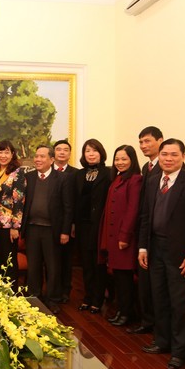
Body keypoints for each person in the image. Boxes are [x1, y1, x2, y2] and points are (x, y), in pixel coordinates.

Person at [138, 138, 185, 369]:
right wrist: (143, 247)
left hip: (181, 254)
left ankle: (179, 352)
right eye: (165, 154)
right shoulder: (151, 180)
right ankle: (162, 341)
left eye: (174, 155)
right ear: (159, 156)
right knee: (159, 298)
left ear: (183, 157)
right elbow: (146, 217)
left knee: (180, 304)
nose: (168, 159)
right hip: (155, 248)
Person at [21, 145, 73, 314]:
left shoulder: (62, 178)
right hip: (32, 229)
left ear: (51, 160)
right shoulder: (28, 177)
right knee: (34, 266)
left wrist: (65, 231)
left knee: (53, 266)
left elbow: (68, 207)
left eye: (42, 157)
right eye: (36, 156)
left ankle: (52, 299)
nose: (38, 159)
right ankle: (34, 297)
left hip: (52, 230)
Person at [98, 145, 142, 327]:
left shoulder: (135, 180)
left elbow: (133, 210)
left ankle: (127, 313)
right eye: (117, 159)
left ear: (132, 160)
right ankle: (122, 311)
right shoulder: (116, 179)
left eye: (124, 159)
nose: (120, 162)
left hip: (124, 238)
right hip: (112, 235)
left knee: (125, 278)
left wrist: (124, 236)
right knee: (118, 276)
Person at [128, 126, 163, 334]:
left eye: (148, 141)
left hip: (159, 233)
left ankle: (157, 326)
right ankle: (147, 320)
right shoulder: (146, 167)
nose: (143, 146)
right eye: (141, 142)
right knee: (145, 281)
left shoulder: (168, 167)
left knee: (156, 285)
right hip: (144, 230)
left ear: (160, 141)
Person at [74, 138, 110, 314]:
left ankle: (98, 299)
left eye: (94, 150)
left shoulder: (109, 173)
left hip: (100, 225)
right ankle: (88, 297)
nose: (91, 154)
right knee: (86, 263)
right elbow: (75, 201)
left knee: (98, 264)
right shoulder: (79, 174)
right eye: (88, 151)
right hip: (82, 225)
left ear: (101, 153)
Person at [0, 140, 26, 285]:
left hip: (9, 226)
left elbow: (19, 201)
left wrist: (15, 227)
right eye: (0, 152)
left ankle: (12, 294)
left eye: (6, 152)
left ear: (12, 154)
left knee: (9, 261)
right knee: (0, 260)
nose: (3, 155)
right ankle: (1, 295)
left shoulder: (18, 173)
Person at [53, 139, 78, 303]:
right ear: (53, 153)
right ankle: (51, 289)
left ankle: (64, 291)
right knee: (51, 259)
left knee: (66, 259)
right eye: (58, 149)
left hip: (67, 223)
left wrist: (71, 225)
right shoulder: (46, 172)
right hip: (49, 224)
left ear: (70, 153)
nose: (62, 152)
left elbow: (76, 202)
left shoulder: (76, 174)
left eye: (65, 150)